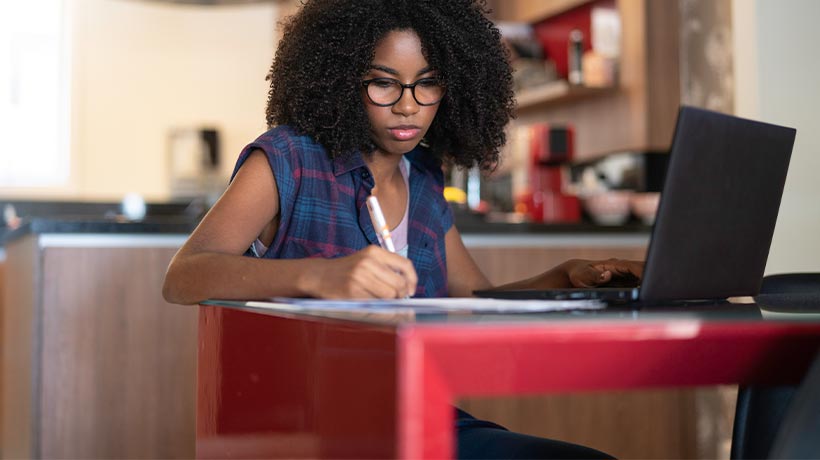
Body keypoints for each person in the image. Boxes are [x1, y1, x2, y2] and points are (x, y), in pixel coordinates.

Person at [163, 0, 642, 457]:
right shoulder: (289, 160)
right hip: (309, 427)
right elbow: (184, 276)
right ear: (341, 79)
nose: (408, 106)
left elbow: (475, 303)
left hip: (414, 412)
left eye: (427, 84)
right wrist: (317, 276)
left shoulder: (425, 181)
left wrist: (564, 277)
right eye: (383, 83)